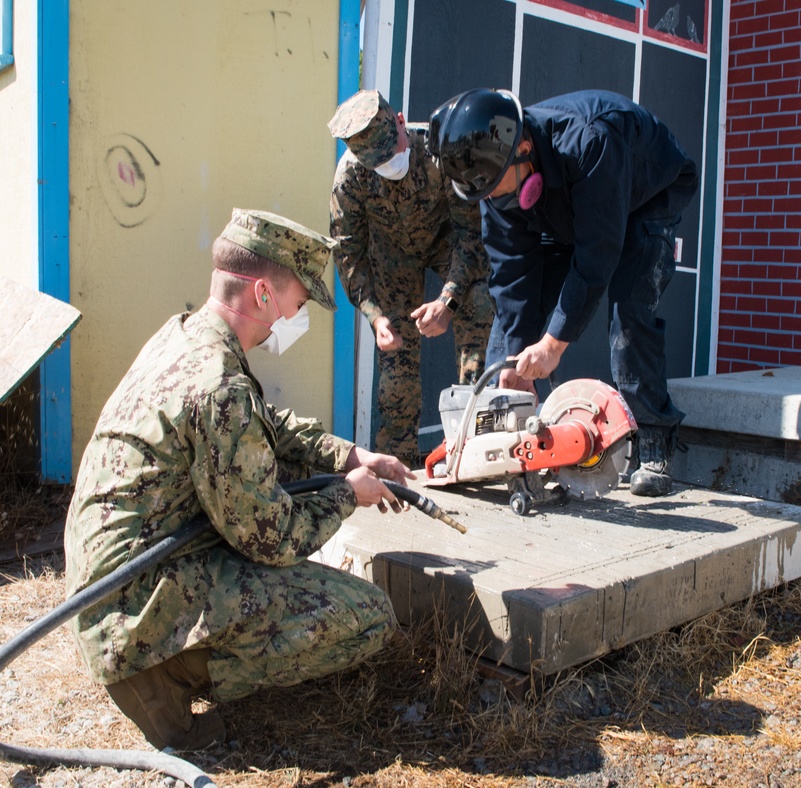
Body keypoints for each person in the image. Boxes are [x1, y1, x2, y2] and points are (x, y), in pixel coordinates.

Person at [64, 209, 414, 751]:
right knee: (369, 616)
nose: (298, 317)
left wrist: (349, 456)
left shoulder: (184, 336)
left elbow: (263, 428)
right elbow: (273, 539)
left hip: (118, 584)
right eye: (299, 303)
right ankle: (164, 677)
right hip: (133, 608)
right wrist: (349, 495)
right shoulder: (217, 386)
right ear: (262, 295)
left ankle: (167, 656)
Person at [428, 88, 699, 497]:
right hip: (567, 210)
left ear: (522, 146)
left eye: (498, 190)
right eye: (487, 194)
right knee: (510, 348)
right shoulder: (493, 176)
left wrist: (554, 343)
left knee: (630, 311)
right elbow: (511, 275)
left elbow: (597, 256)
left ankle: (655, 441)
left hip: (646, 198)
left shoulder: (590, 140)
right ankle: (498, 444)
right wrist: (516, 361)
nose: (495, 200)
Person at [328, 89, 494, 467]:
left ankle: (477, 439)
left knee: (479, 301)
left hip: (445, 242)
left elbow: (471, 236)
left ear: (401, 122)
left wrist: (448, 301)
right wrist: (375, 315)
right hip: (391, 258)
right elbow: (348, 255)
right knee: (395, 354)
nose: (390, 164)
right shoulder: (349, 180)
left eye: (393, 151)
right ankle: (395, 463)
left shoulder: (440, 152)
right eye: (378, 162)